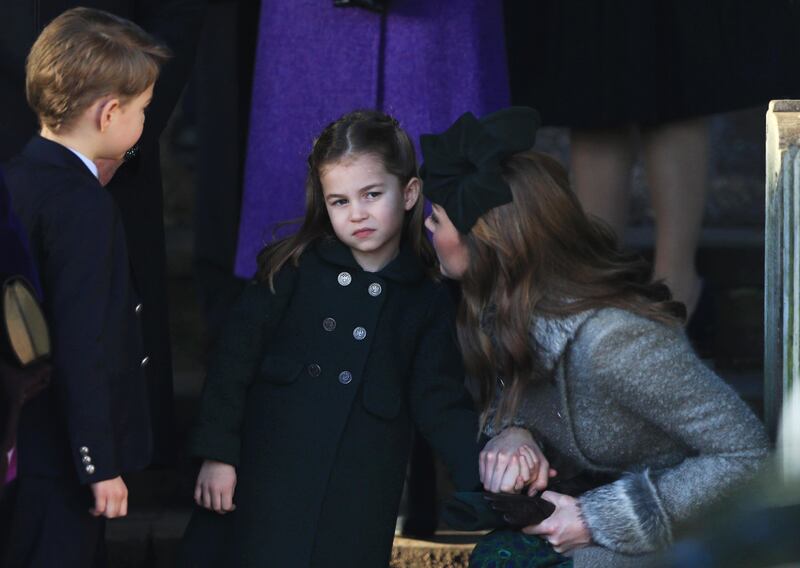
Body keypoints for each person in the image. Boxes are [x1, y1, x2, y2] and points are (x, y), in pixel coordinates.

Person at [180, 110, 536, 567]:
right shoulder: (292, 270)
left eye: (371, 194)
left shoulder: (424, 297)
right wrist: (218, 455)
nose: (358, 214)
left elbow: (439, 401)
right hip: (266, 475)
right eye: (340, 201)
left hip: (358, 489)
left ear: (409, 193)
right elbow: (233, 362)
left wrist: (487, 478)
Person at [420, 107, 770, 567]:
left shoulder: (615, 342)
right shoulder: (493, 309)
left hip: (687, 539)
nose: (427, 226)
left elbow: (748, 457)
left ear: (489, 241)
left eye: (439, 219)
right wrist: (511, 433)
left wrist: (596, 517)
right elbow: (507, 398)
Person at [0, 0, 207, 464]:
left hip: (110, 133)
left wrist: (119, 135)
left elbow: (178, 14)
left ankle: (101, 466)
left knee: (96, 317)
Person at [0, 9, 170, 566]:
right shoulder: (84, 207)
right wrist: (98, 464)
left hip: (18, 447)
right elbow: (83, 341)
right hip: (61, 461)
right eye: (143, 110)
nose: (143, 124)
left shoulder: (17, 178)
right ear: (110, 112)